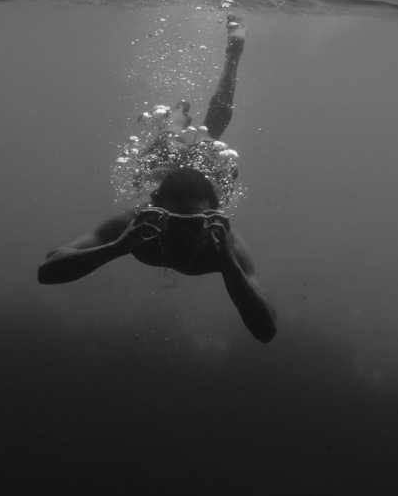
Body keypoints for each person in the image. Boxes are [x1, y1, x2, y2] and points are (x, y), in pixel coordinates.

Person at [38, 17, 277, 343]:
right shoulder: (138, 225)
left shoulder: (223, 244)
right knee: (194, 139)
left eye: (192, 222)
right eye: (173, 220)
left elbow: (266, 330)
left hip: (188, 178)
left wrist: (228, 263)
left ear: (212, 216)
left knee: (196, 139)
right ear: (155, 210)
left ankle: (190, 107)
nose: (182, 232)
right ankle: (179, 120)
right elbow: (48, 272)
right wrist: (115, 248)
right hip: (164, 179)